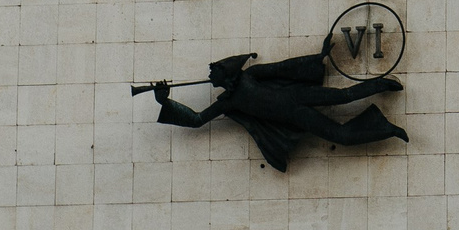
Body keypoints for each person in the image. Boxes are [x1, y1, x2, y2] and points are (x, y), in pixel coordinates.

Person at [151, 47, 408, 173]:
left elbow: (282, 68)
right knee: (342, 136)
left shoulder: (250, 75)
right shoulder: (228, 101)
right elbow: (197, 119)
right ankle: (383, 127)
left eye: (213, 71)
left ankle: (382, 83)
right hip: (296, 116)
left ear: (225, 72)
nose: (210, 75)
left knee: (343, 95)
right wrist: (165, 102)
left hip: (297, 94)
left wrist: (315, 57)